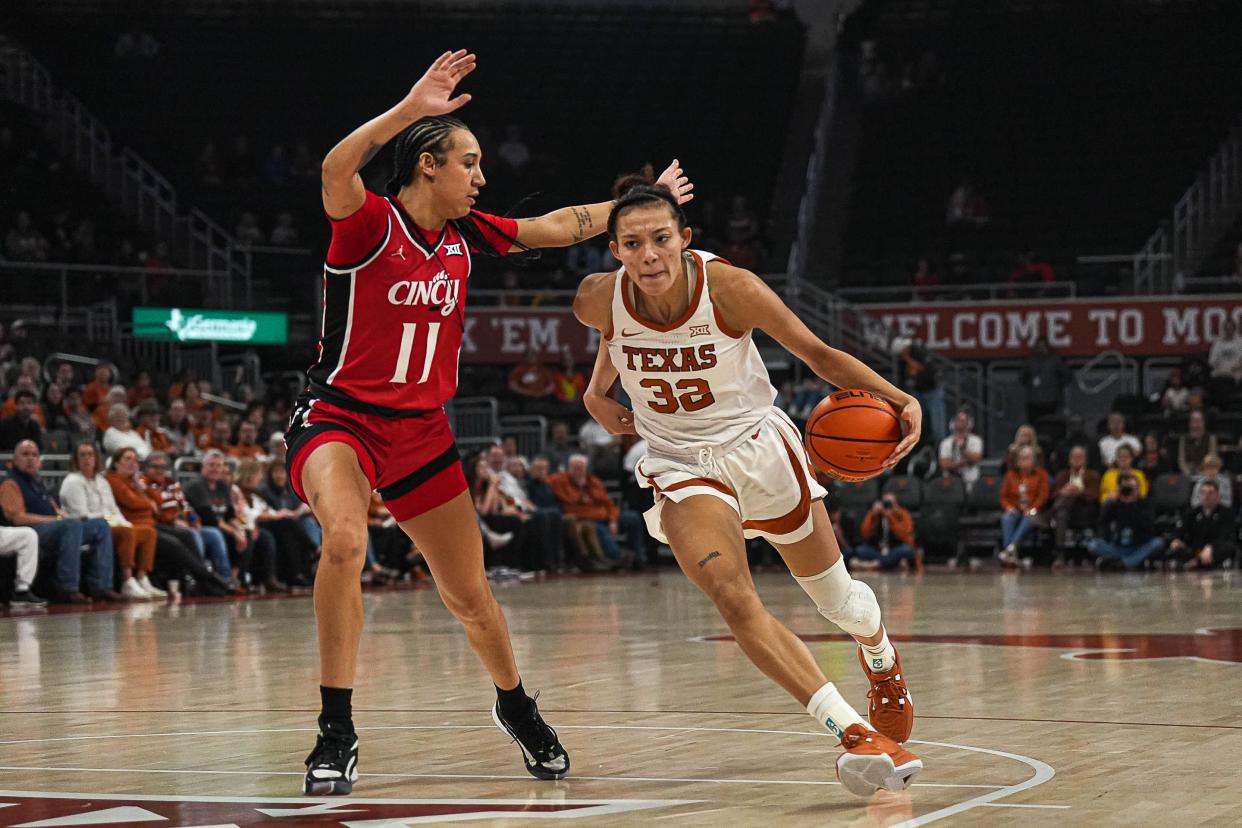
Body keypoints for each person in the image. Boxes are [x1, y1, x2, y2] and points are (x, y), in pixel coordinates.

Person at [284, 50, 693, 794]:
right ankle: (335, 729)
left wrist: (643, 205)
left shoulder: (472, 235)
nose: (481, 177)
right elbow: (336, 169)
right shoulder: (370, 225)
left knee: (470, 595)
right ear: (428, 166)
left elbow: (558, 227)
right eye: (468, 163)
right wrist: (411, 107)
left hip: (422, 434)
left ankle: (515, 705)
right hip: (340, 419)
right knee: (345, 540)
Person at [572, 180, 923, 796]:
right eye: (633, 244)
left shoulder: (731, 289)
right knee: (734, 599)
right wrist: (596, 393)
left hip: (758, 448)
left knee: (836, 601)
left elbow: (818, 353)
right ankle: (853, 732)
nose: (649, 254)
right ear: (615, 251)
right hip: (681, 463)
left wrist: (900, 398)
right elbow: (614, 335)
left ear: (684, 240)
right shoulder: (595, 298)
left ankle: (881, 657)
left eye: (660, 240)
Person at [0, 440, 120, 603]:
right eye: (25, 454)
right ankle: (67, 588)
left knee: (100, 525)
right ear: (14, 460)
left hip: (54, 527)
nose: (30, 459)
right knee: (71, 525)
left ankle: (102, 586)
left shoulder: (37, 482)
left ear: (40, 461)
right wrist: (56, 520)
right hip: (32, 531)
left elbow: (54, 508)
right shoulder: (11, 482)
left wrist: (62, 515)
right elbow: (17, 517)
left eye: (34, 455)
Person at [105, 447, 231, 596]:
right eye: (127, 459)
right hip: (139, 525)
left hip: (152, 524)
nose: (132, 463)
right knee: (176, 543)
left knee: (189, 535)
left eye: (134, 459)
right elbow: (138, 504)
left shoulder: (140, 483)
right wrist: (148, 500)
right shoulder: (115, 480)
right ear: (116, 463)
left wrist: (193, 520)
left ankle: (206, 580)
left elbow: (159, 503)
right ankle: (207, 578)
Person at [60, 442, 160, 600]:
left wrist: (124, 523)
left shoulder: (101, 481)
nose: (87, 459)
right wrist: (112, 521)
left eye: (90, 454)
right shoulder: (73, 481)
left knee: (148, 532)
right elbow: (82, 515)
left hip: (111, 524)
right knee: (125, 532)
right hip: (86, 528)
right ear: (75, 459)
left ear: (96, 458)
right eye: (83, 455)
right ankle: (127, 581)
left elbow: (114, 509)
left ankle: (142, 578)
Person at [143, 451, 233, 586]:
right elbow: (157, 511)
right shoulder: (144, 485)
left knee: (213, 534)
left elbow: (186, 508)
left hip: (182, 524)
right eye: (155, 467)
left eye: (163, 467)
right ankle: (200, 578)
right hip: (164, 525)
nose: (160, 471)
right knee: (192, 535)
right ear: (146, 468)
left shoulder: (172, 485)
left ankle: (225, 577)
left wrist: (194, 522)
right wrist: (174, 520)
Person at [1088, 473, 1163, 570]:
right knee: (1093, 545)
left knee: (1157, 543)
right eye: (1127, 488)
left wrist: (1131, 505)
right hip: (1117, 547)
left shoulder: (1145, 504)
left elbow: (1148, 528)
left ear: (1138, 489)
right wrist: (1109, 502)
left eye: (1133, 488)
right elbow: (1102, 523)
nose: (1129, 491)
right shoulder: (1114, 504)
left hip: (1138, 546)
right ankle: (1131, 562)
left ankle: (1122, 563)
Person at [998, 445, 1050, 565]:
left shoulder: (1041, 475)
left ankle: (1010, 549)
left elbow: (1044, 496)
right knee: (1007, 517)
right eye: (1021, 458)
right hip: (1015, 509)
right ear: (1017, 460)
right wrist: (1008, 507)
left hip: (1034, 511)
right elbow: (1003, 496)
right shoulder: (1010, 475)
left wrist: (1033, 508)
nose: (1024, 461)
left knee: (1030, 517)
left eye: (1027, 458)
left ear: (1033, 460)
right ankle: (1011, 551)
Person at [1169, 479, 1236, 569]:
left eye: (1210, 493)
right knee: (1175, 547)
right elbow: (1180, 530)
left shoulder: (1226, 513)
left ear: (1217, 495)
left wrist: (1210, 547)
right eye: (1203, 493)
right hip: (1195, 549)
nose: (1206, 496)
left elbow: (1224, 536)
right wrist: (1176, 539)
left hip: (1214, 549)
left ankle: (1196, 563)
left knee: (1229, 547)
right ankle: (1197, 561)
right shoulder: (1192, 512)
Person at [1048, 446, 1099, 553]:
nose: (1077, 459)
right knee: (1062, 513)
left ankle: (1051, 514)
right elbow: (1053, 494)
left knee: (1064, 504)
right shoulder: (1062, 475)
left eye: (1080, 456)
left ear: (1085, 459)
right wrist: (1063, 491)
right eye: (1074, 456)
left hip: (1084, 510)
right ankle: (1060, 553)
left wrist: (1078, 492)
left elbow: (1094, 495)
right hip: (1065, 511)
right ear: (1069, 459)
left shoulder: (1092, 475)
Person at [850, 493, 918, 571]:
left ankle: (875, 564)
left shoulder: (902, 513)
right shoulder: (876, 514)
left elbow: (905, 536)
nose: (887, 506)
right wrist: (873, 514)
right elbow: (865, 534)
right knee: (860, 550)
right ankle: (891, 562)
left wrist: (891, 517)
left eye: (890, 504)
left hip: (894, 549)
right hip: (878, 550)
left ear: (896, 504)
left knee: (907, 549)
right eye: (885, 503)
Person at [1020, 338, 1065, 423]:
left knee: (1050, 424)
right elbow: (1022, 377)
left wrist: (1055, 386)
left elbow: (1066, 376)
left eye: (1043, 346)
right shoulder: (1030, 361)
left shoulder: (1055, 360)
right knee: (1034, 425)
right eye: (1039, 347)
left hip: (1051, 400)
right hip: (1033, 400)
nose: (1041, 349)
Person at [939, 410, 983, 489]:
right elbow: (944, 464)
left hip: (971, 481)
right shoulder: (945, 442)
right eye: (958, 420)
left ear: (969, 423)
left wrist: (963, 450)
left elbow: (976, 459)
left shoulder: (976, 440)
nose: (960, 423)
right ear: (953, 423)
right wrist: (964, 462)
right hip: (951, 482)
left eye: (963, 421)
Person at [1177, 410, 1217, 476]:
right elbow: (1181, 461)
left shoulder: (1211, 439)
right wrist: (1188, 472)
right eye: (1194, 422)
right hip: (1188, 473)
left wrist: (1203, 472)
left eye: (1199, 421)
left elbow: (1212, 458)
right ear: (1189, 424)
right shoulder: (1183, 439)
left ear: (1204, 423)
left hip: (1206, 472)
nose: (1196, 425)